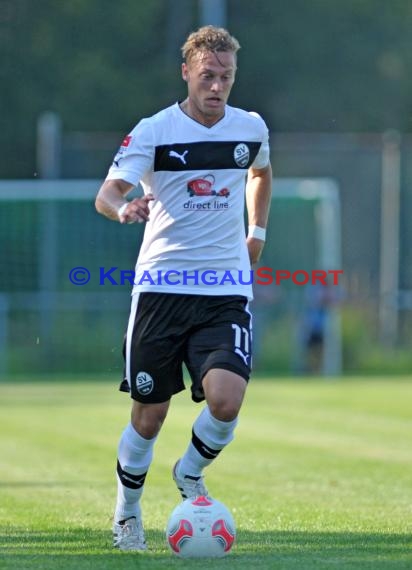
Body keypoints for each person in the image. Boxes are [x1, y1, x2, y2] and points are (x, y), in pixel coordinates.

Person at [95, 25, 272, 551]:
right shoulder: (155, 131)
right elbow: (107, 192)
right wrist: (123, 208)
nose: (217, 87)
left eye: (226, 77)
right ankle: (127, 512)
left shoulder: (251, 127)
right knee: (149, 415)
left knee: (226, 398)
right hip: (161, 289)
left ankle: (190, 470)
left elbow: (261, 173)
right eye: (207, 76)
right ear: (187, 73)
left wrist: (255, 234)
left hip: (225, 288)